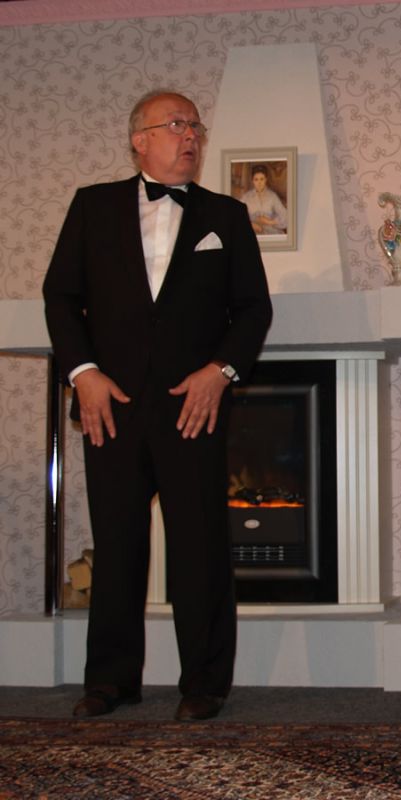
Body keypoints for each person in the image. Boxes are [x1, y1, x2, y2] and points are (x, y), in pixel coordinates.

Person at [43, 90, 273, 722]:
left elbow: (254, 308)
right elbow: (60, 297)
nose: (190, 135)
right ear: (139, 139)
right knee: (117, 544)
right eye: (175, 124)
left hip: (191, 406)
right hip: (109, 404)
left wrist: (220, 372)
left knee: (199, 545)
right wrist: (83, 374)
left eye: (195, 125)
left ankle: (204, 683)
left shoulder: (226, 216)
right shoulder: (92, 207)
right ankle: (110, 680)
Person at [240, 164, 288, 235]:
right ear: (252, 181)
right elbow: (237, 216)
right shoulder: (246, 197)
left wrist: (269, 222)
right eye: (256, 179)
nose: (259, 183)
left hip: (271, 232)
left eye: (262, 179)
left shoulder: (272, 196)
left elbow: (285, 217)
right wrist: (251, 225)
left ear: (266, 179)